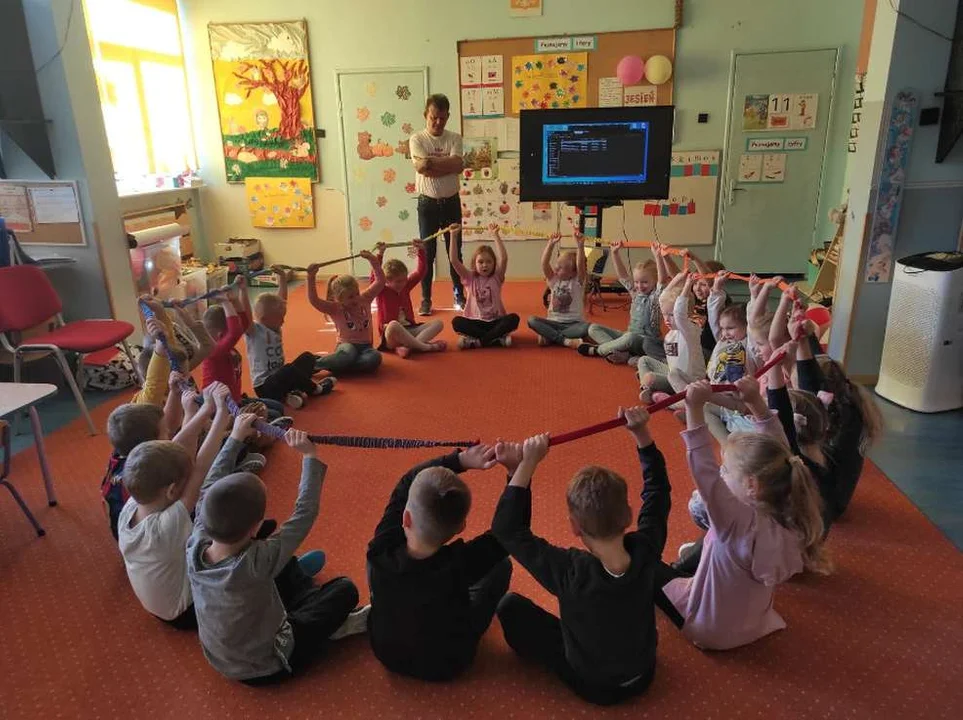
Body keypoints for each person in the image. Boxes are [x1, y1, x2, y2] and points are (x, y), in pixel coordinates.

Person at [491, 405, 670, 706]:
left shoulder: (570, 571)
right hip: (644, 672)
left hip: (594, 685)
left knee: (510, 606)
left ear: (574, 526)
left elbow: (507, 529)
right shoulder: (647, 548)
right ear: (628, 514)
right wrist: (642, 434)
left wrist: (526, 464)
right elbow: (658, 490)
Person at [187, 417, 368, 685]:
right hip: (268, 665)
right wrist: (309, 456)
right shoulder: (257, 561)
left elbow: (208, 486)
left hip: (223, 658)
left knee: (281, 562)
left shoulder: (196, 540)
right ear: (255, 527)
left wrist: (235, 438)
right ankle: (329, 626)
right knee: (345, 590)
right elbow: (304, 514)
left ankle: (300, 584)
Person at [658, 377, 829, 651]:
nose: (721, 473)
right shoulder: (788, 505)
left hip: (709, 630)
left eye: (726, 470)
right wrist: (755, 402)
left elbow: (705, 471)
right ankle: (694, 563)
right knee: (711, 540)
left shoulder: (735, 519)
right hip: (755, 624)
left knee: (645, 566)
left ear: (751, 485)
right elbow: (779, 451)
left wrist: (694, 409)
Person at [365, 442, 511, 681]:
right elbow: (508, 530)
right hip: (448, 665)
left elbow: (406, 483)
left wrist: (460, 460)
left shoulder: (380, 548)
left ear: (406, 518)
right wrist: (517, 472)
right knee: (501, 567)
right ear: (461, 527)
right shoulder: (461, 563)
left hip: (387, 655)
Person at [117, 384, 232, 629]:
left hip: (161, 604)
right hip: (185, 611)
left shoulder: (132, 505)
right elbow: (199, 469)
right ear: (170, 491)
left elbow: (174, 451)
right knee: (231, 545)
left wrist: (204, 411)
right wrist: (221, 416)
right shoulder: (165, 527)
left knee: (207, 509)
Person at [244, 270, 335, 410]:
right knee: (288, 370)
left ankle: (291, 395)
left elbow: (282, 301)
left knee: (308, 357)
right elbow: (245, 316)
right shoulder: (254, 332)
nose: (283, 321)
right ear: (265, 319)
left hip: (281, 379)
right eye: (280, 318)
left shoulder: (274, 327)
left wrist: (282, 278)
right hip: (265, 386)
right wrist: (242, 290)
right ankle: (316, 389)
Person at [410, 93, 465, 316]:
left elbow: (458, 165)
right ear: (426, 115)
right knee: (427, 253)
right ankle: (426, 299)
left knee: (455, 252)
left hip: (451, 202)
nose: (438, 122)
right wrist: (448, 165)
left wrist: (431, 163)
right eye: (434, 117)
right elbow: (423, 169)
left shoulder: (455, 138)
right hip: (427, 205)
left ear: (448, 116)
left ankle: (459, 294)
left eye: (442, 118)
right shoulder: (417, 139)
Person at [580, 242, 664, 364]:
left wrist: (658, 256)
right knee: (593, 328)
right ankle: (622, 353)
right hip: (628, 336)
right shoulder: (636, 294)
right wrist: (615, 253)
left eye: (645, 282)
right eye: (637, 282)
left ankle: (599, 350)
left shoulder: (655, 298)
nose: (640, 286)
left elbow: (662, 280)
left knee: (629, 337)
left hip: (644, 342)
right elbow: (623, 276)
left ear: (654, 281)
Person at [307, 250, 385, 374]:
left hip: (366, 348)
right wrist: (311, 278)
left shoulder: (365, 299)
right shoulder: (335, 308)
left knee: (374, 358)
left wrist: (372, 260)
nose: (355, 298)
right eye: (350, 297)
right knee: (348, 354)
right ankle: (313, 365)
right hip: (346, 346)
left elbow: (380, 281)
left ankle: (340, 366)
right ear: (338, 298)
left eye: (356, 294)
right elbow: (314, 300)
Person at [638, 272, 706, 404]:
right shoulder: (671, 333)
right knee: (644, 361)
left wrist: (687, 285)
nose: (666, 319)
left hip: (689, 381)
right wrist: (678, 278)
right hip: (672, 375)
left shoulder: (689, 330)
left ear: (687, 313)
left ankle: (679, 402)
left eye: (671, 315)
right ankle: (648, 389)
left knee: (665, 375)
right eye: (664, 314)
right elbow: (662, 299)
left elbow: (679, 312)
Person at [449, 224, 520, 349]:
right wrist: (453, 236)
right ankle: (495, 339)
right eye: (480, 262)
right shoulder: (470, 277)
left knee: (513, 319)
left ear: (494, 264)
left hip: (495, 321)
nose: (485, 265)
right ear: (474, 263)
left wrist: (495, 235)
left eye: (489, 262)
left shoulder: (497, 277)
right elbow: (454, 260)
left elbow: (504, 258)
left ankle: (477, 341)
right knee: (457, 322)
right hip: (475, 321)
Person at [372, 239, 446, 358]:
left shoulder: (405, 286)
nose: (402, 283)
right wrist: (380, 254)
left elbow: (420, 272)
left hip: (410, 330)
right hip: (391, 335)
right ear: (387, 280)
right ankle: (426, 347)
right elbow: (374, 278)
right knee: (393, 325)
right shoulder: (381, 290)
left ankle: (408, 347)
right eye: (398, 281)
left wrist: (421, 250)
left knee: (438, 323)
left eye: (404, 279)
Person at [527, 231, 591, 347]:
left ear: (572, 272)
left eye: (560, 267)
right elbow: (544, 263)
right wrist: (550, 244)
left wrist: (580, 246)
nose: (555, 268)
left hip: (573, 324)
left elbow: (580, 265)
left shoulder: (577, 282)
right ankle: (565, 341)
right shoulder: (554, 280)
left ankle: (550, 336)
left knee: (588, 328)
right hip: (553, 322)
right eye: (557, 264)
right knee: (532, 320)